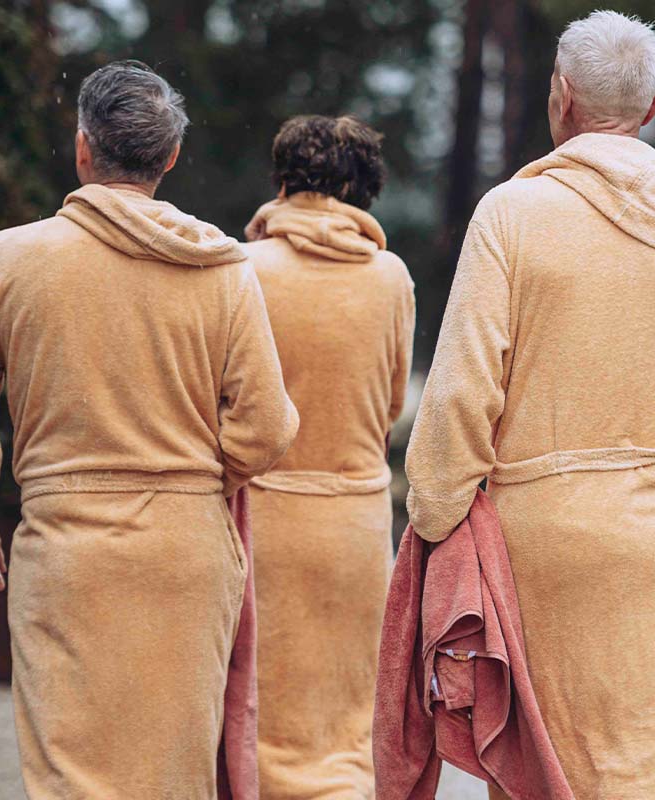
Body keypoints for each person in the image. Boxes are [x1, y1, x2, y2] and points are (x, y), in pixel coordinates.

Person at [404, 11, 655, 798]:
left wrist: (436, 515)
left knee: (558, 769)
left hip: (539, 541)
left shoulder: (511, 215)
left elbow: (460, 391)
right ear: (651, 109)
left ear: (561, 96)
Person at [0, 60, 299, 798]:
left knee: (72, 776)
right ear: (171, 157)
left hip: (68, 557)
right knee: (176, 774)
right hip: (188, 557)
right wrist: (192, 481)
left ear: (83, 148)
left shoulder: (9, 260)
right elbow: (265, 428)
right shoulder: (224, 267)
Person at [241, 115, 414, 798]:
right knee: (349, 718)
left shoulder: (244, 269)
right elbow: (393, 398)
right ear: (365, 193)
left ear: (282, 182)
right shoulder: (392, 278)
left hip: (265, 514)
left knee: (263, 712)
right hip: (356, 521)